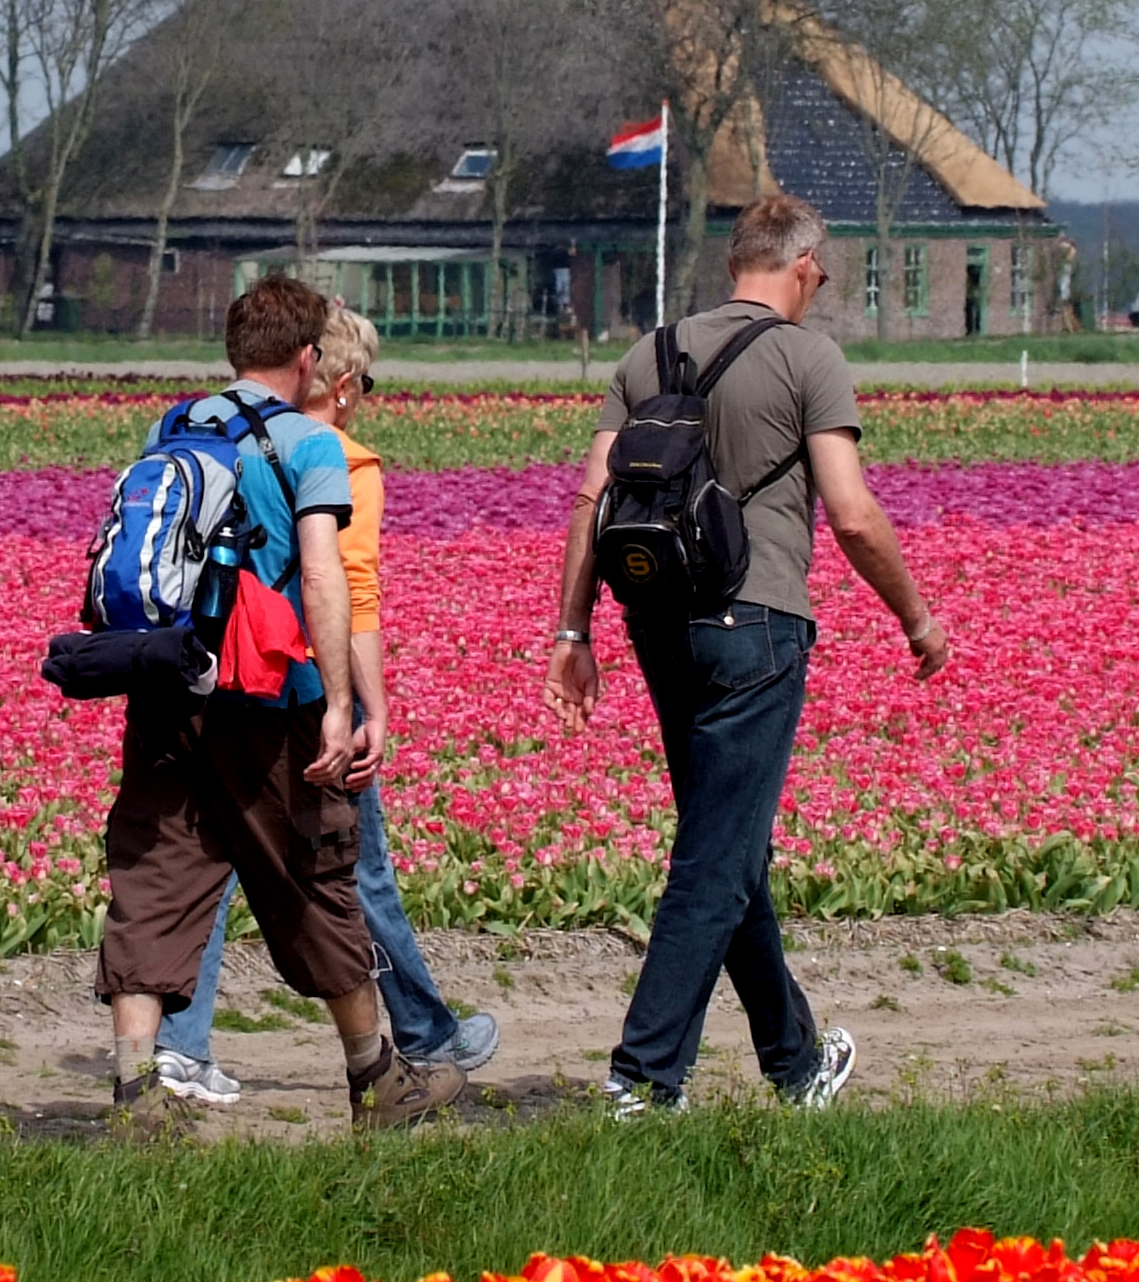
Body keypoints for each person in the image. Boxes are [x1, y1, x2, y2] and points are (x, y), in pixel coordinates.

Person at [544, 193, 951, 1116]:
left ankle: (795, 1062)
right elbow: (849, 511)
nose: (821, 287)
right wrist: (917, 620)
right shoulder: (809, 356)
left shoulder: (648, 354)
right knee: (716, 858)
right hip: (757, 624)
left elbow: (587, 503)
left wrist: (573, 635)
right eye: (824, 275)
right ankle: (643, 1078)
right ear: (803, 266)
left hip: (657, 623)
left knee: (730, 848)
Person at [100, 276, 464, 1133]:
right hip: (268, 698)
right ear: (309, 357)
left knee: (155, 873)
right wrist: (341, 702)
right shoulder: (310, 443)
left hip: (165, 686)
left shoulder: (176, 426)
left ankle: (133, 1089)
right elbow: (324, 570)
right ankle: (377, 1080)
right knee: (315, 875)